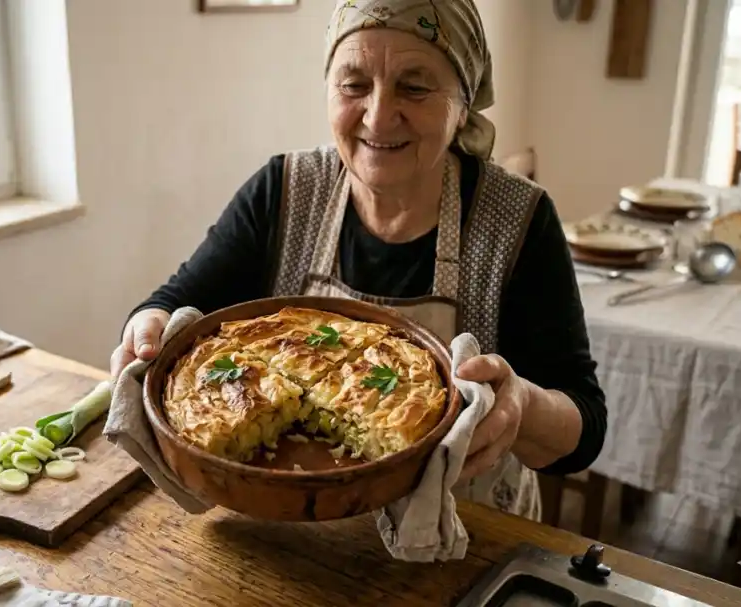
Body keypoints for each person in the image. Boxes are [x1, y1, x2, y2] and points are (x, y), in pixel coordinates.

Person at [110, 0, 606, 521]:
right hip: (283, 533)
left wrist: (523, 405)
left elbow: (585, 429)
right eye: (353, 84)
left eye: (414, 87)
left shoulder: (518, 220)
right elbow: (173, 307)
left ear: (463, 105)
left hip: (470, 534)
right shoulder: (283, 190)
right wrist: (147, 326)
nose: (377, 115)